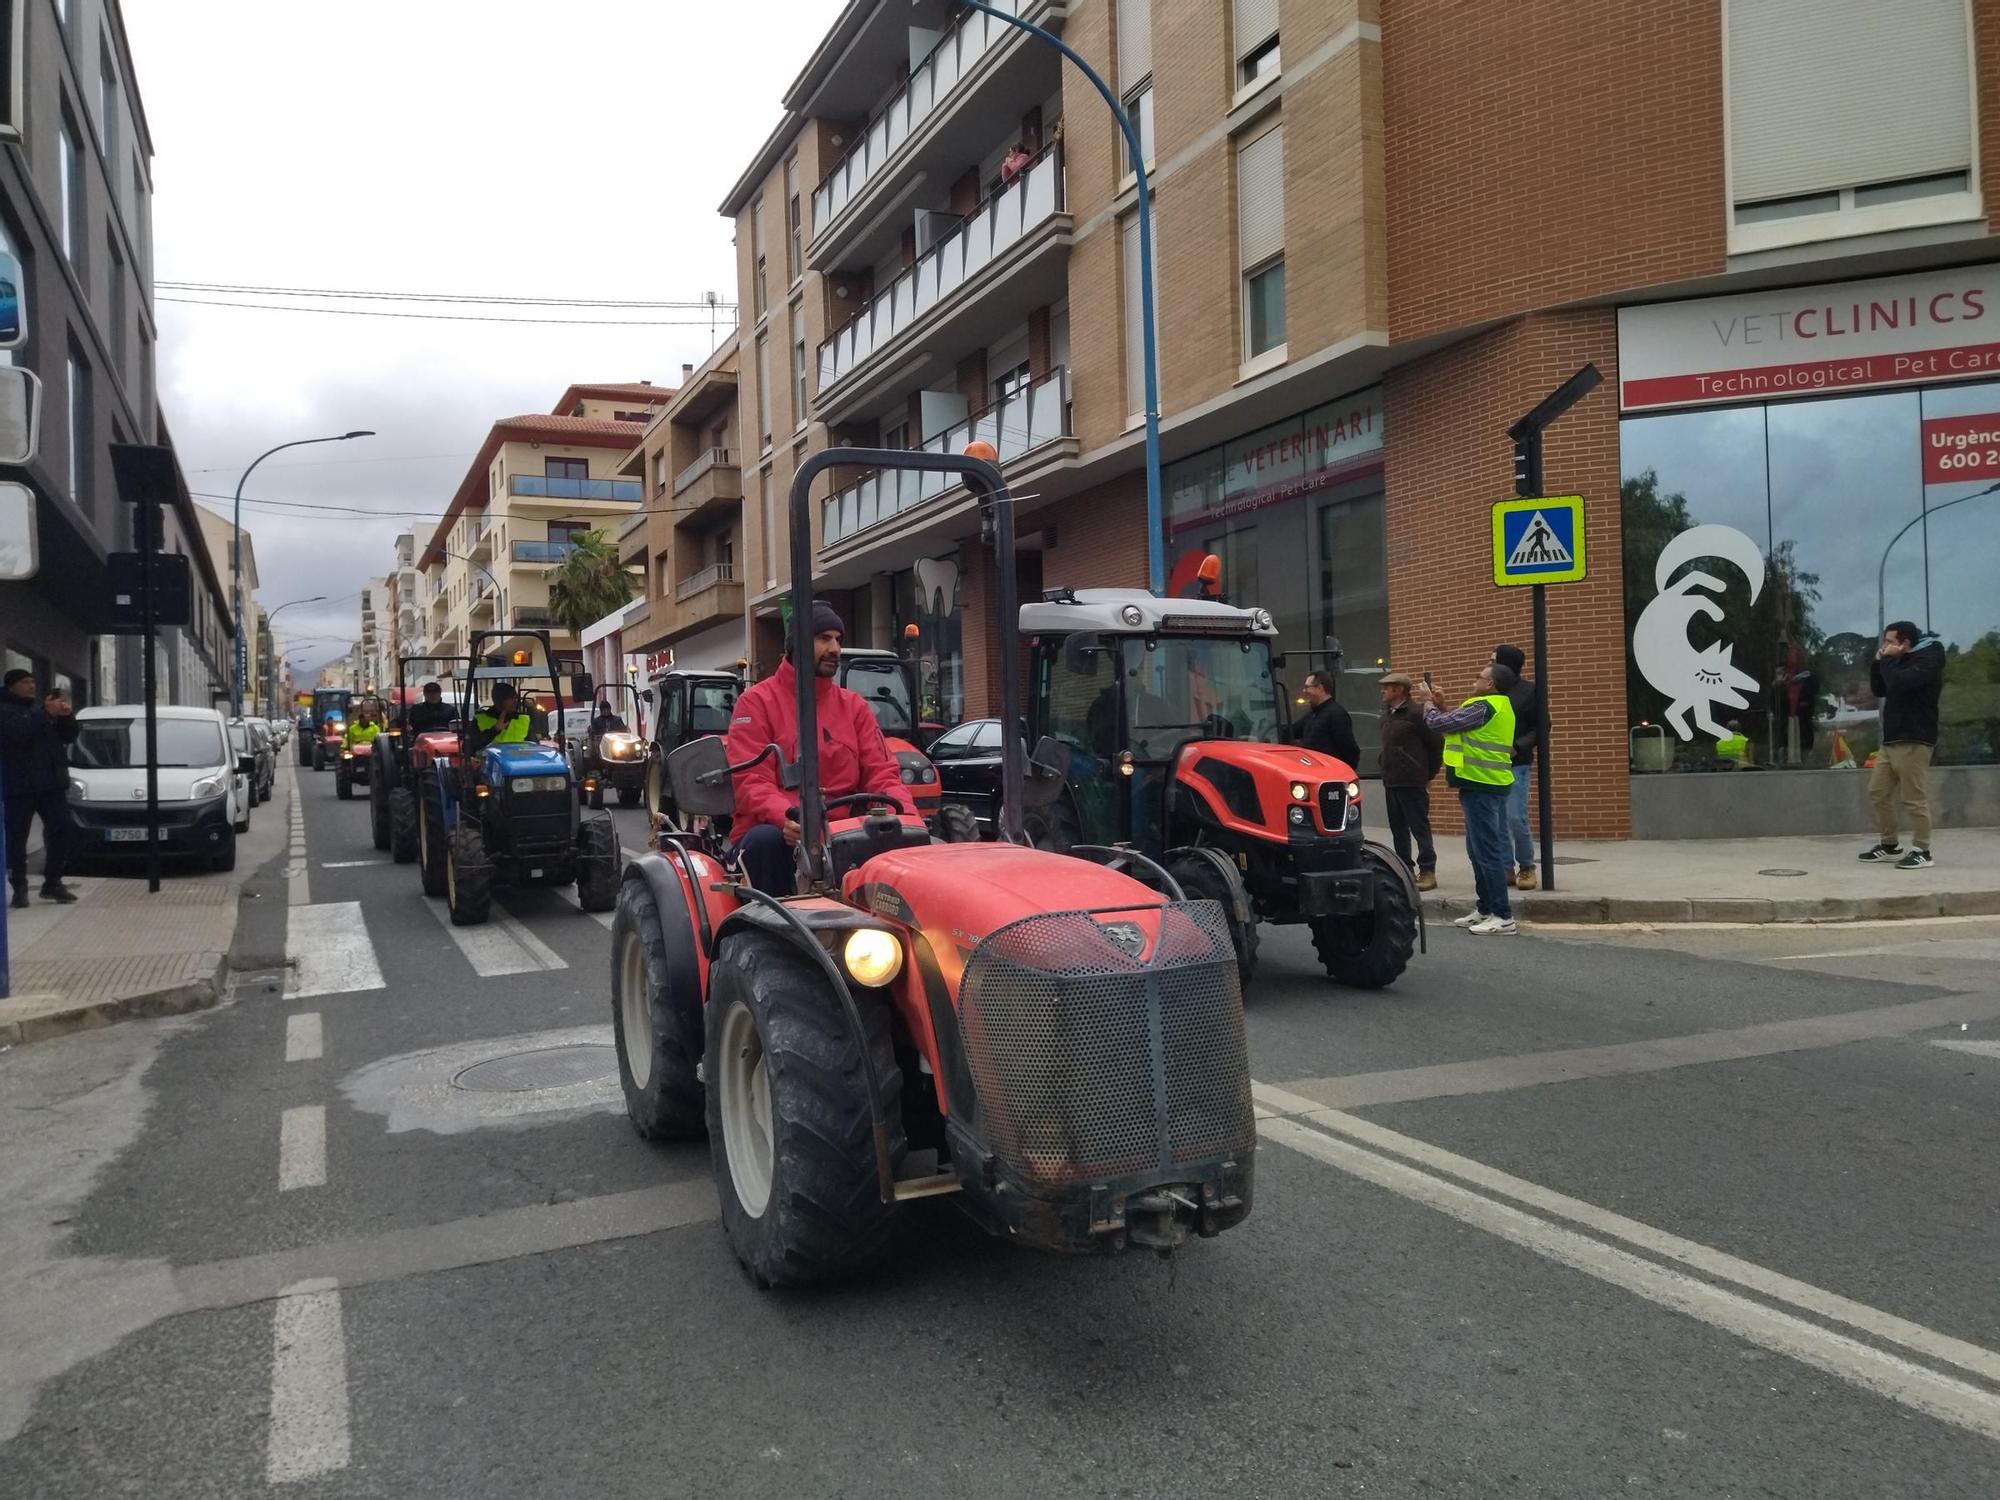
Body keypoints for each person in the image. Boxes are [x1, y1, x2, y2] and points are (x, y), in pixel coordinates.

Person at [725, 601, 916, 895]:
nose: (835, 648)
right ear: (796, 645)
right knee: (766, 842)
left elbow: (883, 775)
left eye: (838, 639)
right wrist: (789, 816)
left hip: (843, 834)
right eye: (824, 638)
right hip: (780, 833)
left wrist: (908, 821)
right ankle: (771, 936)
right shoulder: (756, 703)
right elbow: (752, 783)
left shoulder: (854, 707)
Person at [1413, 661, 1518, 936]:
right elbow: (1454, 727)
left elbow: (1437, 724)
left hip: (1482, 785)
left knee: (1487, 852)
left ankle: (1502, 915)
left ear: (1490, 684)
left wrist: (1428, 703)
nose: (1475, 679)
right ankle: (1485, 909)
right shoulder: (1495, 706)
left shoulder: (1484, 705)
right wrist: (1442, 704)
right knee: (1477, 851)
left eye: (1480, 676)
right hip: (1482, 784)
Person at [1860, 620, 1945, 869]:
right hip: (1892, 739)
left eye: (1889, 641)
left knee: (1913, 797)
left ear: (1905, 642)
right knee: (1877, 791)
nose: (1885, 646)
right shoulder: (1896, 660)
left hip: (1915, 738)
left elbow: (1898, 683)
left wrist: (1886, 661)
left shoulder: (1928, 660)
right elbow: (1880, 689)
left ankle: (1922, 850)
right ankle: (1889, 845)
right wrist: (1878, 662)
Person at [1, 670, 80, 907]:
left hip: (50, 785)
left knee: (62, 828)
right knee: (17, 837)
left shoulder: (38, 710)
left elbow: (68, 737)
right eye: (26, 682)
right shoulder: (6, 710)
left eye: (34, 682)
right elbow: (19, 733)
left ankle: (53, 882)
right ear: (12, 686)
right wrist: (47, 713)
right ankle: (19, 886)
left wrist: (65, 717)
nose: (31, 686)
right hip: (20, 785)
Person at [1377, 673, 1442, 891]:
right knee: (1398, 830)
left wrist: (1427, 774)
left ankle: (1427, 870)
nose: (1382, 691)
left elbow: (1435, 745)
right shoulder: (1387, 715)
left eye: (1387, 688)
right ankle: (1404, 868)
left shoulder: (1416, 713)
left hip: (1412, 780)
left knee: (1419, 827)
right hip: (1392, 780)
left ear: (1399, 690)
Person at [1491, 645, 1540, 889]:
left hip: (1516, 764)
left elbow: (1542, 727)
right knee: (1498, 820)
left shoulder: (1528, 692)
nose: (1490, 665)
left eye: (1493, 660)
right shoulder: (1491, 690)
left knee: (1515, 817)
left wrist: (1518, 746)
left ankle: (1527, 866)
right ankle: (1505, 867)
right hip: (1490, 765)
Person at [1291, 670, 1361, 768]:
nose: (1304, 691)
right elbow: (1291, 731)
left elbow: (1349, 749)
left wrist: (1343, 774)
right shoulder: (1312, 715)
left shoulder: (1337, 714)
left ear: (1320, 688)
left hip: (1331, 775)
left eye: (1307, 687)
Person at [465, 682, 532, 754]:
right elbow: (467, 748)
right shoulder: (480, 720)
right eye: (511, 698)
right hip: (488, 764)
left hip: (517, 763)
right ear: (498, 701)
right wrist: (494, 730)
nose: (515, 702)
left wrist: (533, 710)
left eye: (515, 698)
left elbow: (535, 747)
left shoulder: (523, 719)